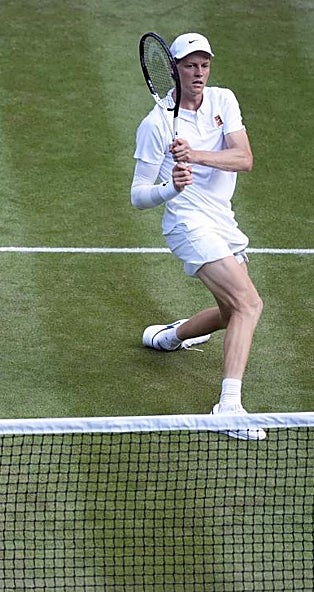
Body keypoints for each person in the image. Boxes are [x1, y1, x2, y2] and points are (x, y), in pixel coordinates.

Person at [131, 32, 266, 441]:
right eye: (190, 65)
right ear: (174, 70)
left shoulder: (224, 100)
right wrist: (171, 187)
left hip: (223, 221)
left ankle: (170, 336)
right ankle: (228, 407)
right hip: (187, 224)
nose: (199, 73)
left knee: (229, 313)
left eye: (204, 64)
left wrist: (195, 154)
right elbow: (138, 196)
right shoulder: (155, 125)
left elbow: (244, 159)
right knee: (249, 303)